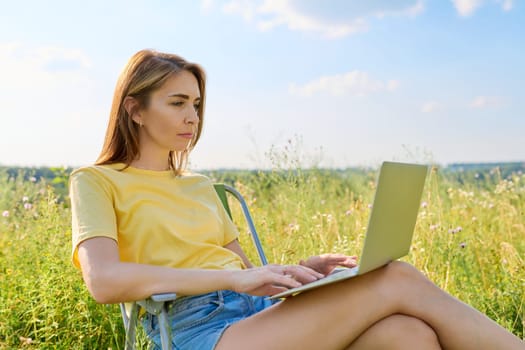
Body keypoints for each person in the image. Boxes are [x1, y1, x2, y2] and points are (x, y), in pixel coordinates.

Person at [69, 49, 524, 350]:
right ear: (135, 109)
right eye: (178, 102)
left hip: (258, 313)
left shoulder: (200, 185)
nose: (193, 116)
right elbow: (104, 282)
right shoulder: (96, 181)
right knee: (397, 278)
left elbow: (245, 277)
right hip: (195, 332)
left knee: (408, 334)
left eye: (198, 104)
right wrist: (229, 281)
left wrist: (302, 272)